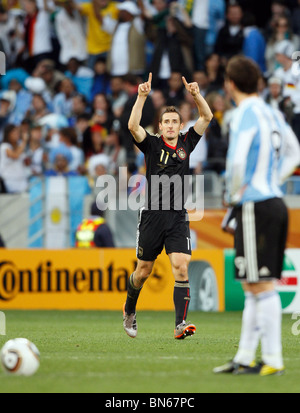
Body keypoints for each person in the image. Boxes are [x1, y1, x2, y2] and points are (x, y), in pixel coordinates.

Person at [213, 56, 300, 376]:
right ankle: (245, 357)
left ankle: (273, 360)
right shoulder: (272, 112)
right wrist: (272, 179)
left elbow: (236, 161)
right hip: (273, 200)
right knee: (253, 284)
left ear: (230, 83)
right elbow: (295, 153)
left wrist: (235, 195)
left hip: (254, 204)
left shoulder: (243, 113)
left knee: (260, 285)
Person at [122, 72, 213, 339]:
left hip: (177, 217)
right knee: (142, 272)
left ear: (180, 125)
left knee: (181, 266)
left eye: (175, 122)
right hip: (151, 216)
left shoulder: (187, 143)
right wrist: (141, 97)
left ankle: (180, 324)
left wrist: (196, 95)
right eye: (167, 122)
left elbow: (206, 117)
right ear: (160, 126)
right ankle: (129, 309)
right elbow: (132, 126)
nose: (171, 126)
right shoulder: (151, 144)